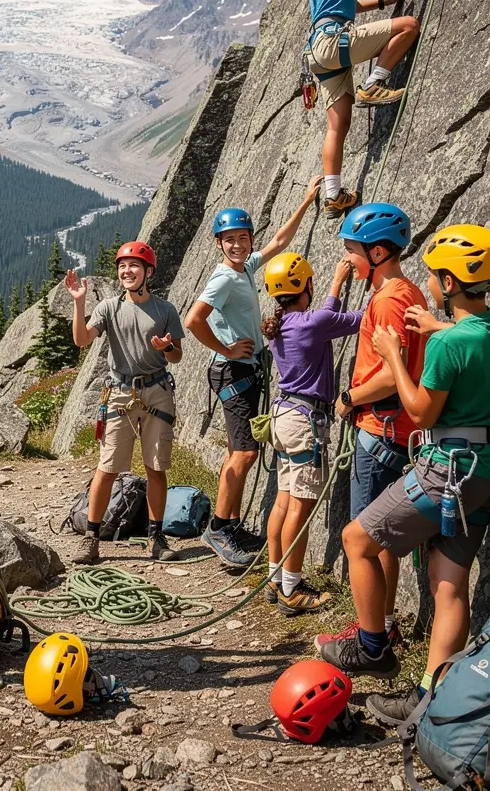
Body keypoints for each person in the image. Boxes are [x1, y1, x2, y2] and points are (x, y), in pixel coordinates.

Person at [319, 225, 490, 727]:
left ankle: (373, 645)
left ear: (448, 281)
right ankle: (429, 698)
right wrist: (444, 329)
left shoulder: (447, 348)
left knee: (357, 540)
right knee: (449, 585)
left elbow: (419, 412)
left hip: (448, 472)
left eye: (436, 277)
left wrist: (395, 354)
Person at [184, 177, 322, 569]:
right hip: (232, 371)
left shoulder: (244, 268)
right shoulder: (225, 277)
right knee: (245, 453)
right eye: (230, 239)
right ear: (218, 243)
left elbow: (278, 242)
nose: (239, 244)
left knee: (235, 451)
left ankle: (226, 522)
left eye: (243, 238)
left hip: (240, 371)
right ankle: (220, 530)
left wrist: (306, 200)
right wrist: (226, 348)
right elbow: (194, 320)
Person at [300, 0, 455, 220]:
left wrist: (387, 0)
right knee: (409, 25)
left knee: (337, 126)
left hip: (317, 53)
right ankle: (374, 82)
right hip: (334, 42)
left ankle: (334, 196)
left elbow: (347, 5)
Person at [314, 202, 423, 651]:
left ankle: (369, 638)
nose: (347, 256)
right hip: (395, 431)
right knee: (381, 540)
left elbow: (389, 373)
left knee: (365, 535)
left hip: (379, 430)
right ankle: (386, 622)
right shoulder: (407, 292)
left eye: (352, 249)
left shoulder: (390, 299)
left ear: (378, 253)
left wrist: (348, 399)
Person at [66, 242, 184, 565]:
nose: (126, 272)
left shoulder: (165, 310)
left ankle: (156, 538)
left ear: (148, 272)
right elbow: (81, 340)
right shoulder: (108, 308)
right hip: (120, 393)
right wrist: (79, 304)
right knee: (106, 469)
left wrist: (167, 346)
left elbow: (177, 356)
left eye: (134, 266)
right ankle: (92, 538)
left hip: (157, 391)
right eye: (122, 267)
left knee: (156, 468)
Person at [261, 252, 363, 615]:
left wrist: (336, 283)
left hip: (284, 415)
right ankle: (292, 587)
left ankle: (275, 578)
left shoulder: (283, 324)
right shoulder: (315, 322)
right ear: (306, 285)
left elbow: (323, 318)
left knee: (284, 500)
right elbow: (362, 319)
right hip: (306, 424)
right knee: (300, 509)